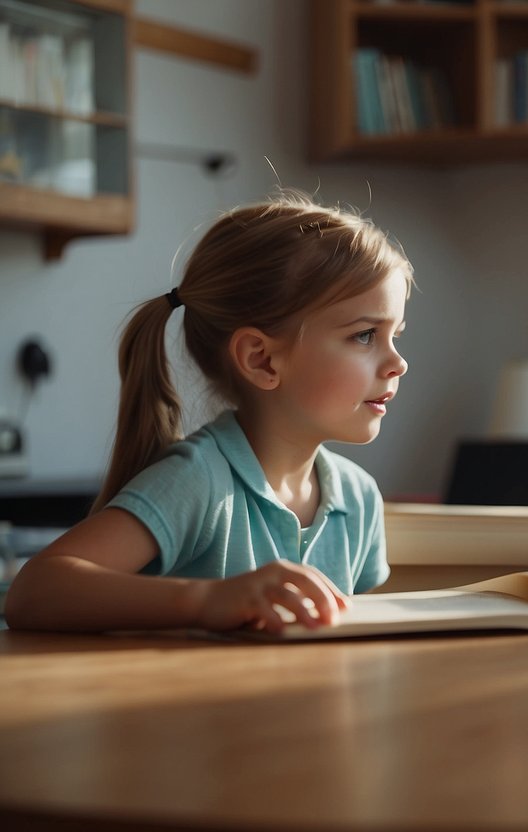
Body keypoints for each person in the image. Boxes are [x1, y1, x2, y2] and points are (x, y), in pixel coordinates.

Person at [5, 191, 413, 631]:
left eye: (396, 335)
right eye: (366, 335)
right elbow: (35, 591)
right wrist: (207, 598)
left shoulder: (359, 497)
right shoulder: (197, 481)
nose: (398, 363)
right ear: (262, 359)